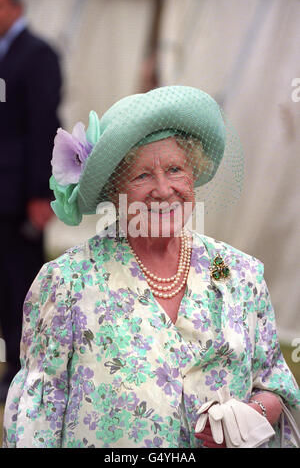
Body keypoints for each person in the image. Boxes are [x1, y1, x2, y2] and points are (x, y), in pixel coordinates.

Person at [3, 86, 300, 448]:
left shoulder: (239, 274)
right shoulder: (67, 284)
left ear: (193, 176)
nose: (163, 189)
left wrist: (250, 414)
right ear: (114, 191)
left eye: (175, 169)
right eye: (142, 175)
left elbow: (274, 384)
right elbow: (37, 420)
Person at [0, 0, 62, 402]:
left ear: (12, 6)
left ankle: (27, 371)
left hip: (21, 194)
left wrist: (42, 193)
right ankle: (10, 365)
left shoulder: (39, 55)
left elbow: (44, 125)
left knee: (21, 286)